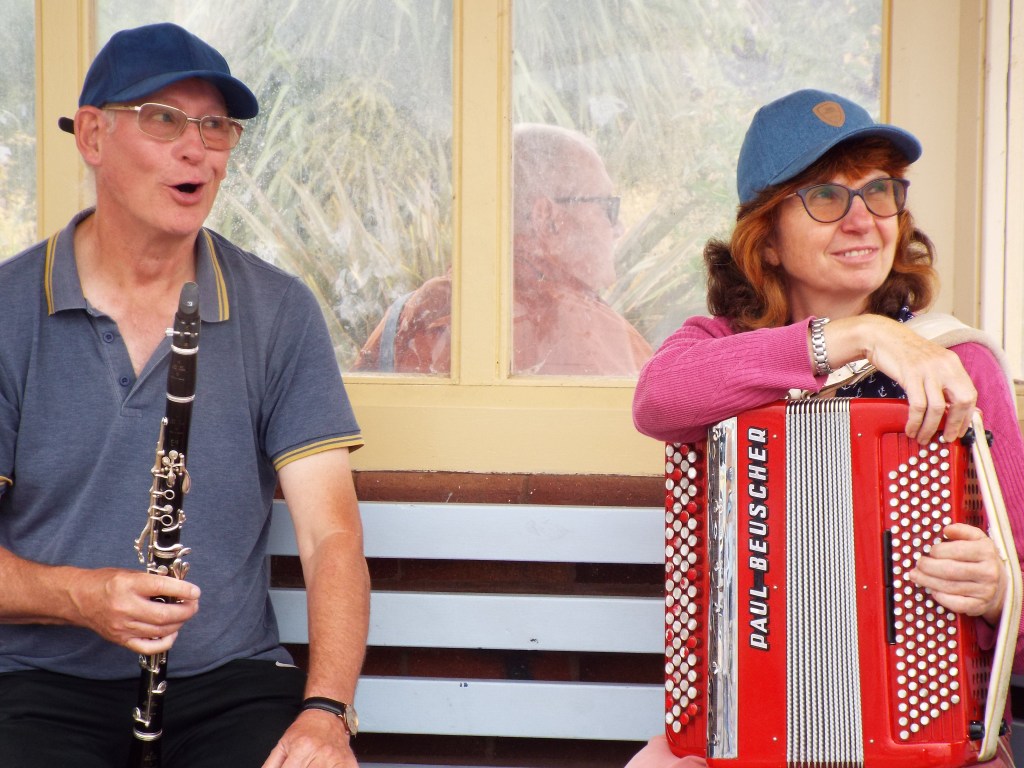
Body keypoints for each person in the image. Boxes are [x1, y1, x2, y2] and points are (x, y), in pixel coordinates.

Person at [0, 23, 368, 768]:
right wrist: (82, 596)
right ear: (94, 136)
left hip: (231, 682)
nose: (196, 148)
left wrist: (328, 710)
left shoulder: (278, 309)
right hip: (36, 682)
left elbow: (331, 537)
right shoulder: (8, 310)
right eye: (164, 119)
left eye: (216, 126)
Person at [628, 88, 1024, 767]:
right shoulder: (719, 346)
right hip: (747, 730)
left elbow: (1018, 577)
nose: (863, 220)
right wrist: (853, 336)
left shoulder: (957, 362)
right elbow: (658, 401)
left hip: (919, 734)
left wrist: (998, 594)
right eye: (826, 197)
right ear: (768, 239)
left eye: (879, 192)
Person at [353, 122, 653, 375]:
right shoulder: (589, 331)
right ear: (546, 218)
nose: (618, 227)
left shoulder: (410, 314)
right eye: (607, 207)